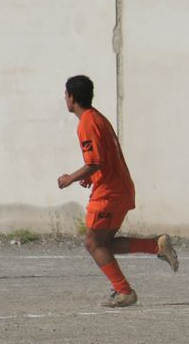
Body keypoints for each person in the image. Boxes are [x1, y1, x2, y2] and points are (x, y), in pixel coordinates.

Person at [57, 75, 178, 306]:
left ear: (72, 97)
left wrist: (70, 178)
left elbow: (95, 162)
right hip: (118, 189)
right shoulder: (96, 118)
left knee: (93, 244)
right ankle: (156, 245)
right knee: (104, 244)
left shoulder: (87, 123)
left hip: (109, 193)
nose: (65, 98)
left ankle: (124, 292)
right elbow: (102, 159)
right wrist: (90, 176)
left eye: (65, 94)